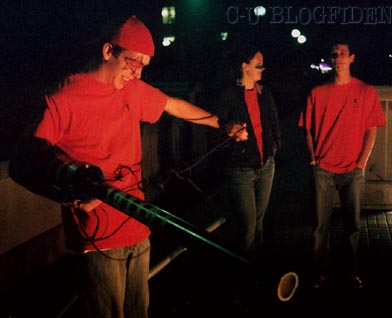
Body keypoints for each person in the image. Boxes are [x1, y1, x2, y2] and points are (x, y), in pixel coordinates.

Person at [8, 15, 247, 318]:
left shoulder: (130, 89)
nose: (137, 73)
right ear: (108, 51)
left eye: (144, 65)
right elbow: (22, 164)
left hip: (138, 224)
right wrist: (68, 196)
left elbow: (172, 105)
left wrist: (221, 123)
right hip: (98, 239)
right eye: (133, 62)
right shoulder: (61, 98)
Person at [298, 38, 386, 288]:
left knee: (353, 225)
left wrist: (361, 162)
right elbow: (308, 128)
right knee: (319, 226)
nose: (338, 58)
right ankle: (319, 273)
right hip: (322, 168)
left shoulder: (365, 91)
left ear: (352, 58)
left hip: (352, 169)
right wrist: (313, 158)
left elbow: (372, 129)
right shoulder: (317, 92)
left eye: (342, 53)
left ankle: (350, 271)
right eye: (334, 54)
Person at [213, 45, 281, 254]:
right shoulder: (228, 95)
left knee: (258, 221)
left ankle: (255, 266)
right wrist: (230, 134)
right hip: (240, 169)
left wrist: (274, 146)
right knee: (248, 224)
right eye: (258, 64)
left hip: (265, 165)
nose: (263, 68)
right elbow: (216, 129)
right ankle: (244, 271)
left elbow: (274, 122)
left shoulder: (264, 92)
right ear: (245, 66)